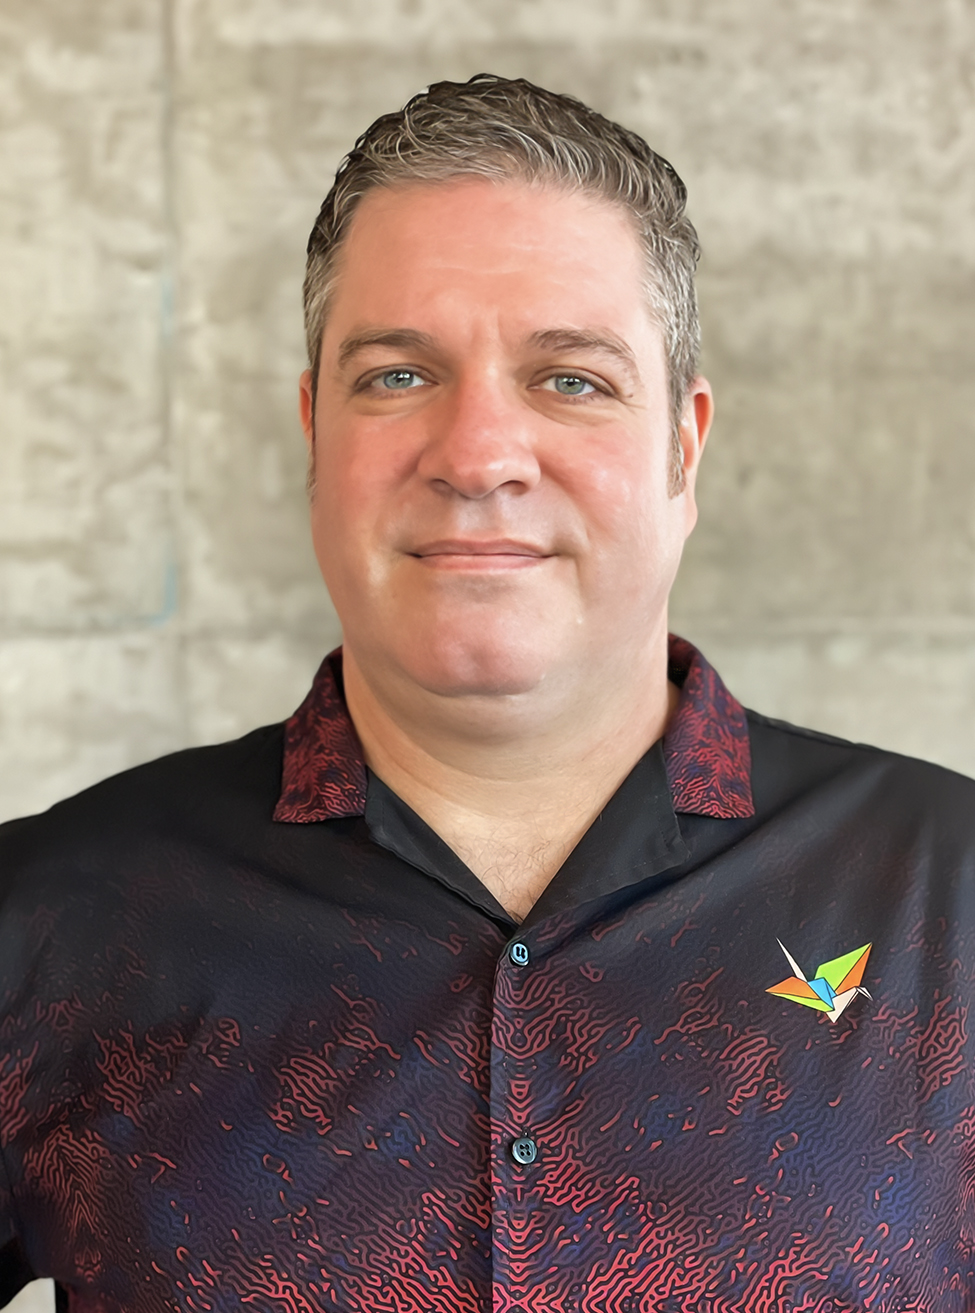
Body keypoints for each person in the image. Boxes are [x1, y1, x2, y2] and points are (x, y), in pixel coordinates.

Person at [1, 73, 974, 1313]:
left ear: (684, 448)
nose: (477, 456)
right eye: (397, 375)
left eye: (570, 379)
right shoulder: (57, 918)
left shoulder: (952, 897)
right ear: (315, 432)